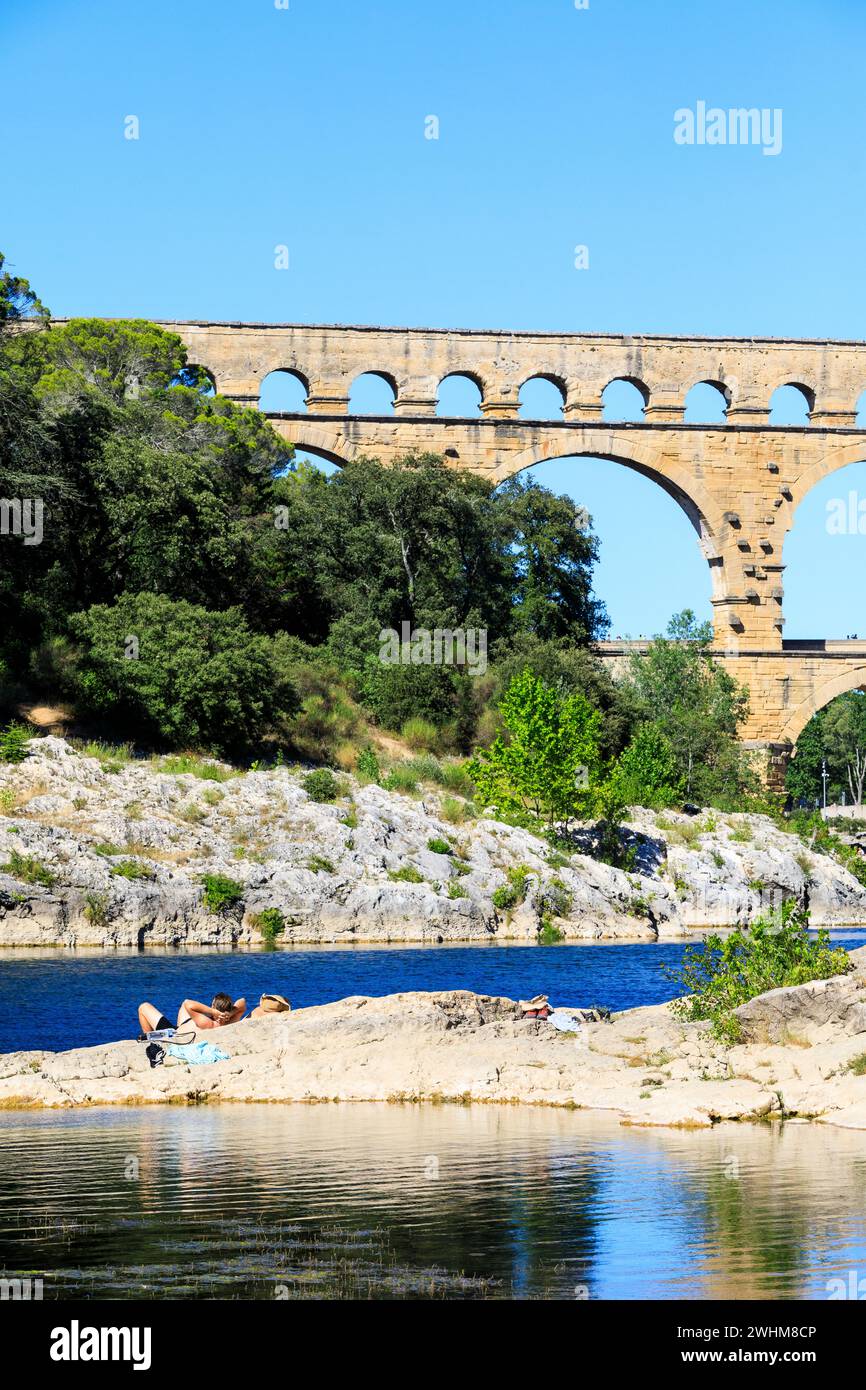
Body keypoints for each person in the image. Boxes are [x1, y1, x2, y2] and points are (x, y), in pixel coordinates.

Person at [137, 993, 247, 1036]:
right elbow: (242, 1002)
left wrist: (212, 1011)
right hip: (186, 1026)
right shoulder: (231, 1020)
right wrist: (231, 1012)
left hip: (173, 1033)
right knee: (184, 1009)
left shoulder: (207, 1023)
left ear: (214, 1008)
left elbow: (187, 1003)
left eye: (211, 1005)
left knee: (143, 1007)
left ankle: (149, 1037)